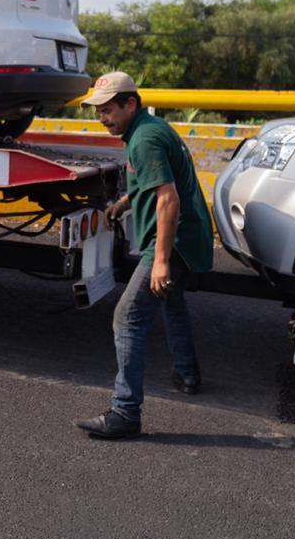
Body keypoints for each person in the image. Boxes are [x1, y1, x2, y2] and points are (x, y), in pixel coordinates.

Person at [74, 72, 214, 440]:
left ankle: (125, 412)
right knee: (170, 303)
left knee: (128, 318)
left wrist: (162, 260)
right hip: (188, 234)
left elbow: (168, 199)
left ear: (130, 104)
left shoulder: (145, 139)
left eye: (107, 110)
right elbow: (154, 186)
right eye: (98, 111)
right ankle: (187, 372)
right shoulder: (146, 128)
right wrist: (125, 202)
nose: (102, 118)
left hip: (175, 240)